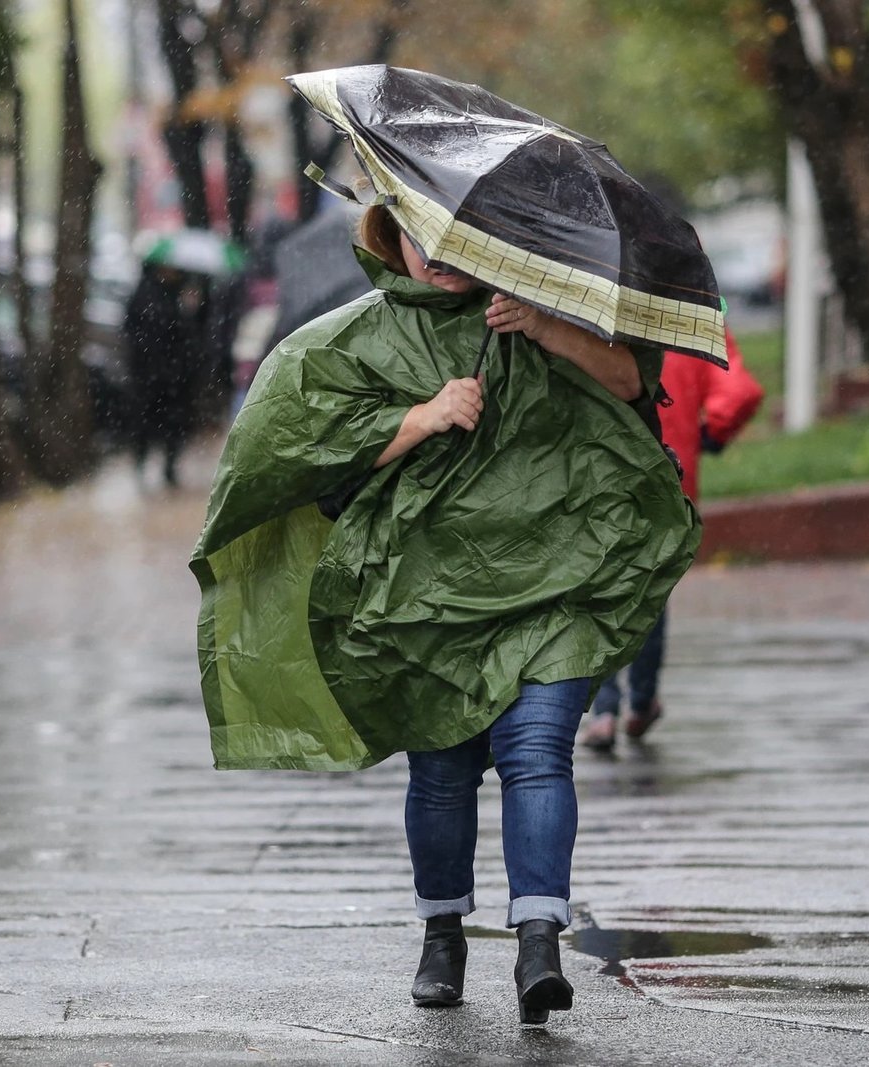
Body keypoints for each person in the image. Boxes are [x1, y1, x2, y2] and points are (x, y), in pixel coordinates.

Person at [190, 204, 699, 1026]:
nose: (438, 250)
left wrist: (544, 326)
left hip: (554, 583)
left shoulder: (553, 309)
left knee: (538, 751)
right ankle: (442, 934)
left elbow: (634, 387)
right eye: (418, 232)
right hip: (424, 598)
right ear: (391, 237)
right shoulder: (356, 339)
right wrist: (420, 419)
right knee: (441, 772)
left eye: (455, 233)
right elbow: (311, 462)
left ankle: (540, 941)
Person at [581, 331, 763, 751]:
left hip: (596, 477)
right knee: (649, 594)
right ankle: (641, 702)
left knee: (598, 590)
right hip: (667, 480)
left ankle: (603, 711)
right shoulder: (687, 321)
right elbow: (740, 392)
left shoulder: (588, 319)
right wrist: (711, 434)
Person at [122, 263, 205, 486]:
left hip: (177, 376)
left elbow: (192, 334)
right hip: (148, 374)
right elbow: (132, 331)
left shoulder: (185, 294)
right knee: (145, 421)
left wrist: (190, 310)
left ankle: (169, 467)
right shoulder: (144, 293)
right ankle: (141, 464)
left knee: (175, 422)